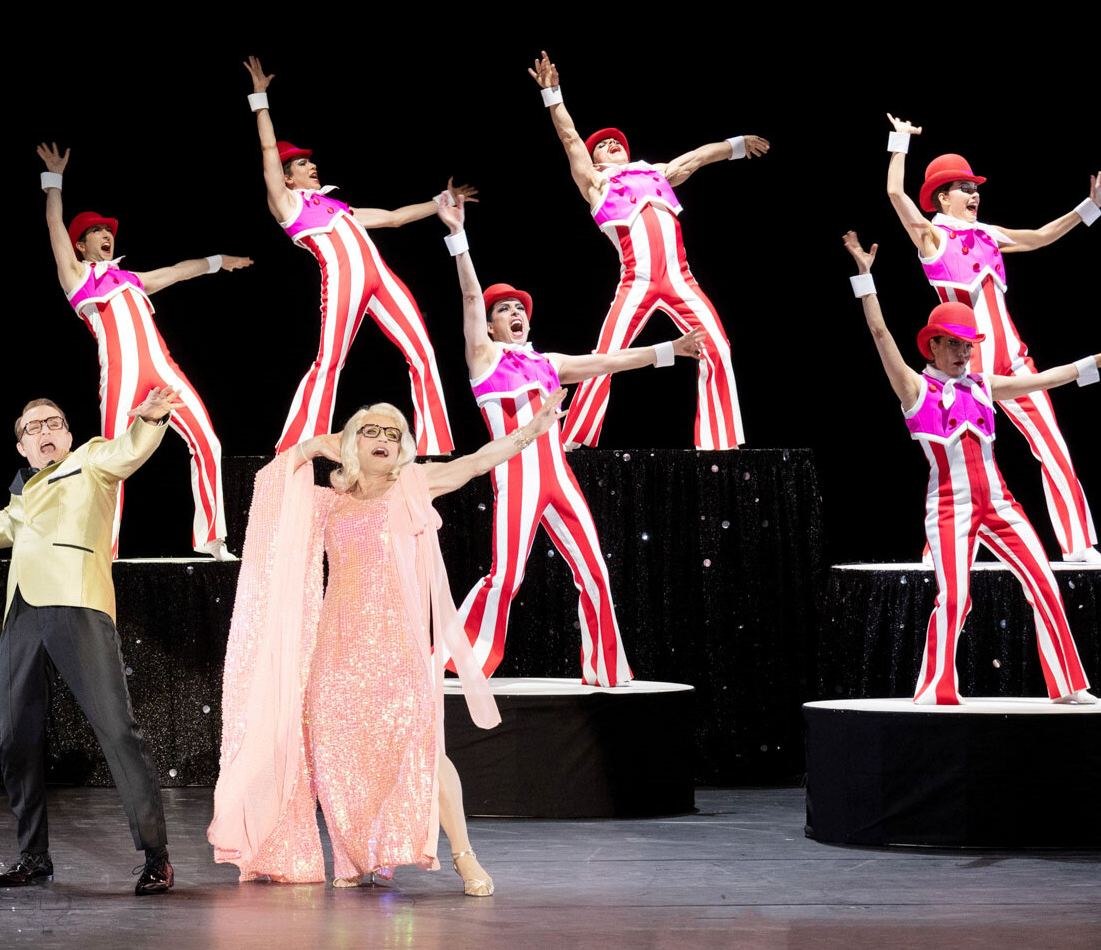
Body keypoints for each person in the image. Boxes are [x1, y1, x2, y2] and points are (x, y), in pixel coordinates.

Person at [211, 398, 555, 896]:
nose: (383, 439)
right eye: (371, 430)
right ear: (351, 442)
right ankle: (355, 856)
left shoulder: (414, 484)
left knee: (425, 750)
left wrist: (530, 431)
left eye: (393, 433)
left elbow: (477, 462)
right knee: (339, 755)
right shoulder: (328, 500)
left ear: (402, 448)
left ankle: (464, 857)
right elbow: (268, 488)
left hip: (397, 647)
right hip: (336, 651)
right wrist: (312, 446)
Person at [841, 232, 1101, 705]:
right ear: (933, 346)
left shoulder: (982, 385)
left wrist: (1094, 363)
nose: (963, 353)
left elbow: (1041, 380)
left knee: (1043, 581)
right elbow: (880, 334)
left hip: (1000, 503)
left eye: (969, 346)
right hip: (950, 508)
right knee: (955, 599)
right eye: (954, 345)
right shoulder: (916, 390)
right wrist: (865, 279)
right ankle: (935, 688)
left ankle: (1069, 685)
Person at [435, 191, 704, 685]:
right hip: (517, 478)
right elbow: (471, 297)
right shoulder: (485, 359)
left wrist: (671, 348)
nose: (515, 313)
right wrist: (458, 236)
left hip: (559, 477)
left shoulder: (548, 363)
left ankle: (606, 672)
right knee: (507, 577)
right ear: (490, 325)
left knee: (595, 570)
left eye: (519, 308)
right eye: (504, 310)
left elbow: (608, 362)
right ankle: (456, 660)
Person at [0, 388, 185, 895]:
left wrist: (152, 421)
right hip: (22, 613)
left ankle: (156, 855)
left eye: (53, 423)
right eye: (32, 428)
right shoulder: (21, 495)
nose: (44, 431)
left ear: (68, 435)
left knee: (116, 729)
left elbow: (129, 450)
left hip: (78, 602)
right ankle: (34, 856)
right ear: (22, 447)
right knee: (16, 739)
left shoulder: (90, 461)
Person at [883, 113, 1101, 562]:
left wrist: (1089, 208)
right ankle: (939, 549)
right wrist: (901, 139)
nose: (975, 194)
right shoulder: (933, 238)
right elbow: (896, 193)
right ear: (942, 197)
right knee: (961, 464)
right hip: (966, 371)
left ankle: (1078, 545)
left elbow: (1039, 237)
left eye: (975, 187)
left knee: (1053, 444)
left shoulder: (988, 235)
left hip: (1014, 360)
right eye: (964, 188)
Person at [526, 51, 762, 451]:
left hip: (682, 278)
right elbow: (569, 137)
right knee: (605, 357)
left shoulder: (655, 172)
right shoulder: (597, 183)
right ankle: (574, 440)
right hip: (637, 281)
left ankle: (719, 443)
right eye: (603, 145)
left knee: (718, 346)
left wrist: (736, 145)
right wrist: (553, 94)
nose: (611, 145)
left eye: (616, 142)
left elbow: (698, 158)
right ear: (594, 160)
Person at [241, 56, 465, 456]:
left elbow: (394, 218)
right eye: (302, 163)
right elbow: (268, 149)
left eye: (311, 160)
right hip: (345, 278)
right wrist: (260, 100)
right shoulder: (289, 204)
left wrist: (440, 202)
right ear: (287, 176)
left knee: (423, 352)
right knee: (329, 361)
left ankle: (434, 445)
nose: (312, 166)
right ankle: (298, 445)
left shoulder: (339, 207)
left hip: (382, 277)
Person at [35, 143, 247, 559]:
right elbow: (54, 224)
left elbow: (178, 271)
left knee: (209, 441)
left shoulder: (131, 278)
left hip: (164, 370)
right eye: (97, 231)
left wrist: (218, 260)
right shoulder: (78, 277)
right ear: (81, 245)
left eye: (109, 230)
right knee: (112, 464)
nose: (107, 235)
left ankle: (213, 539)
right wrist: (54, 181)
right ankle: (106, 552)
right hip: (122, 376)